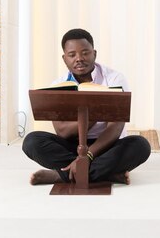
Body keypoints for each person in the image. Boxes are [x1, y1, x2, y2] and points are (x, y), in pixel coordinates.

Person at [22, 28, 151, 185]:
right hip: (73, 146)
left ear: (94, 54)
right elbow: (63, 132)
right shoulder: (58, 85)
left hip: (107, 146)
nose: (79, 59)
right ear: (64, 58)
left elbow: (115, 128)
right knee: (32, 142)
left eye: (85, 53)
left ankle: (60, 176)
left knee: (140, 145)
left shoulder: (115, 79)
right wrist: (95, 113)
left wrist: (88, 156)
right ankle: (105, 174)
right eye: (72, 55)